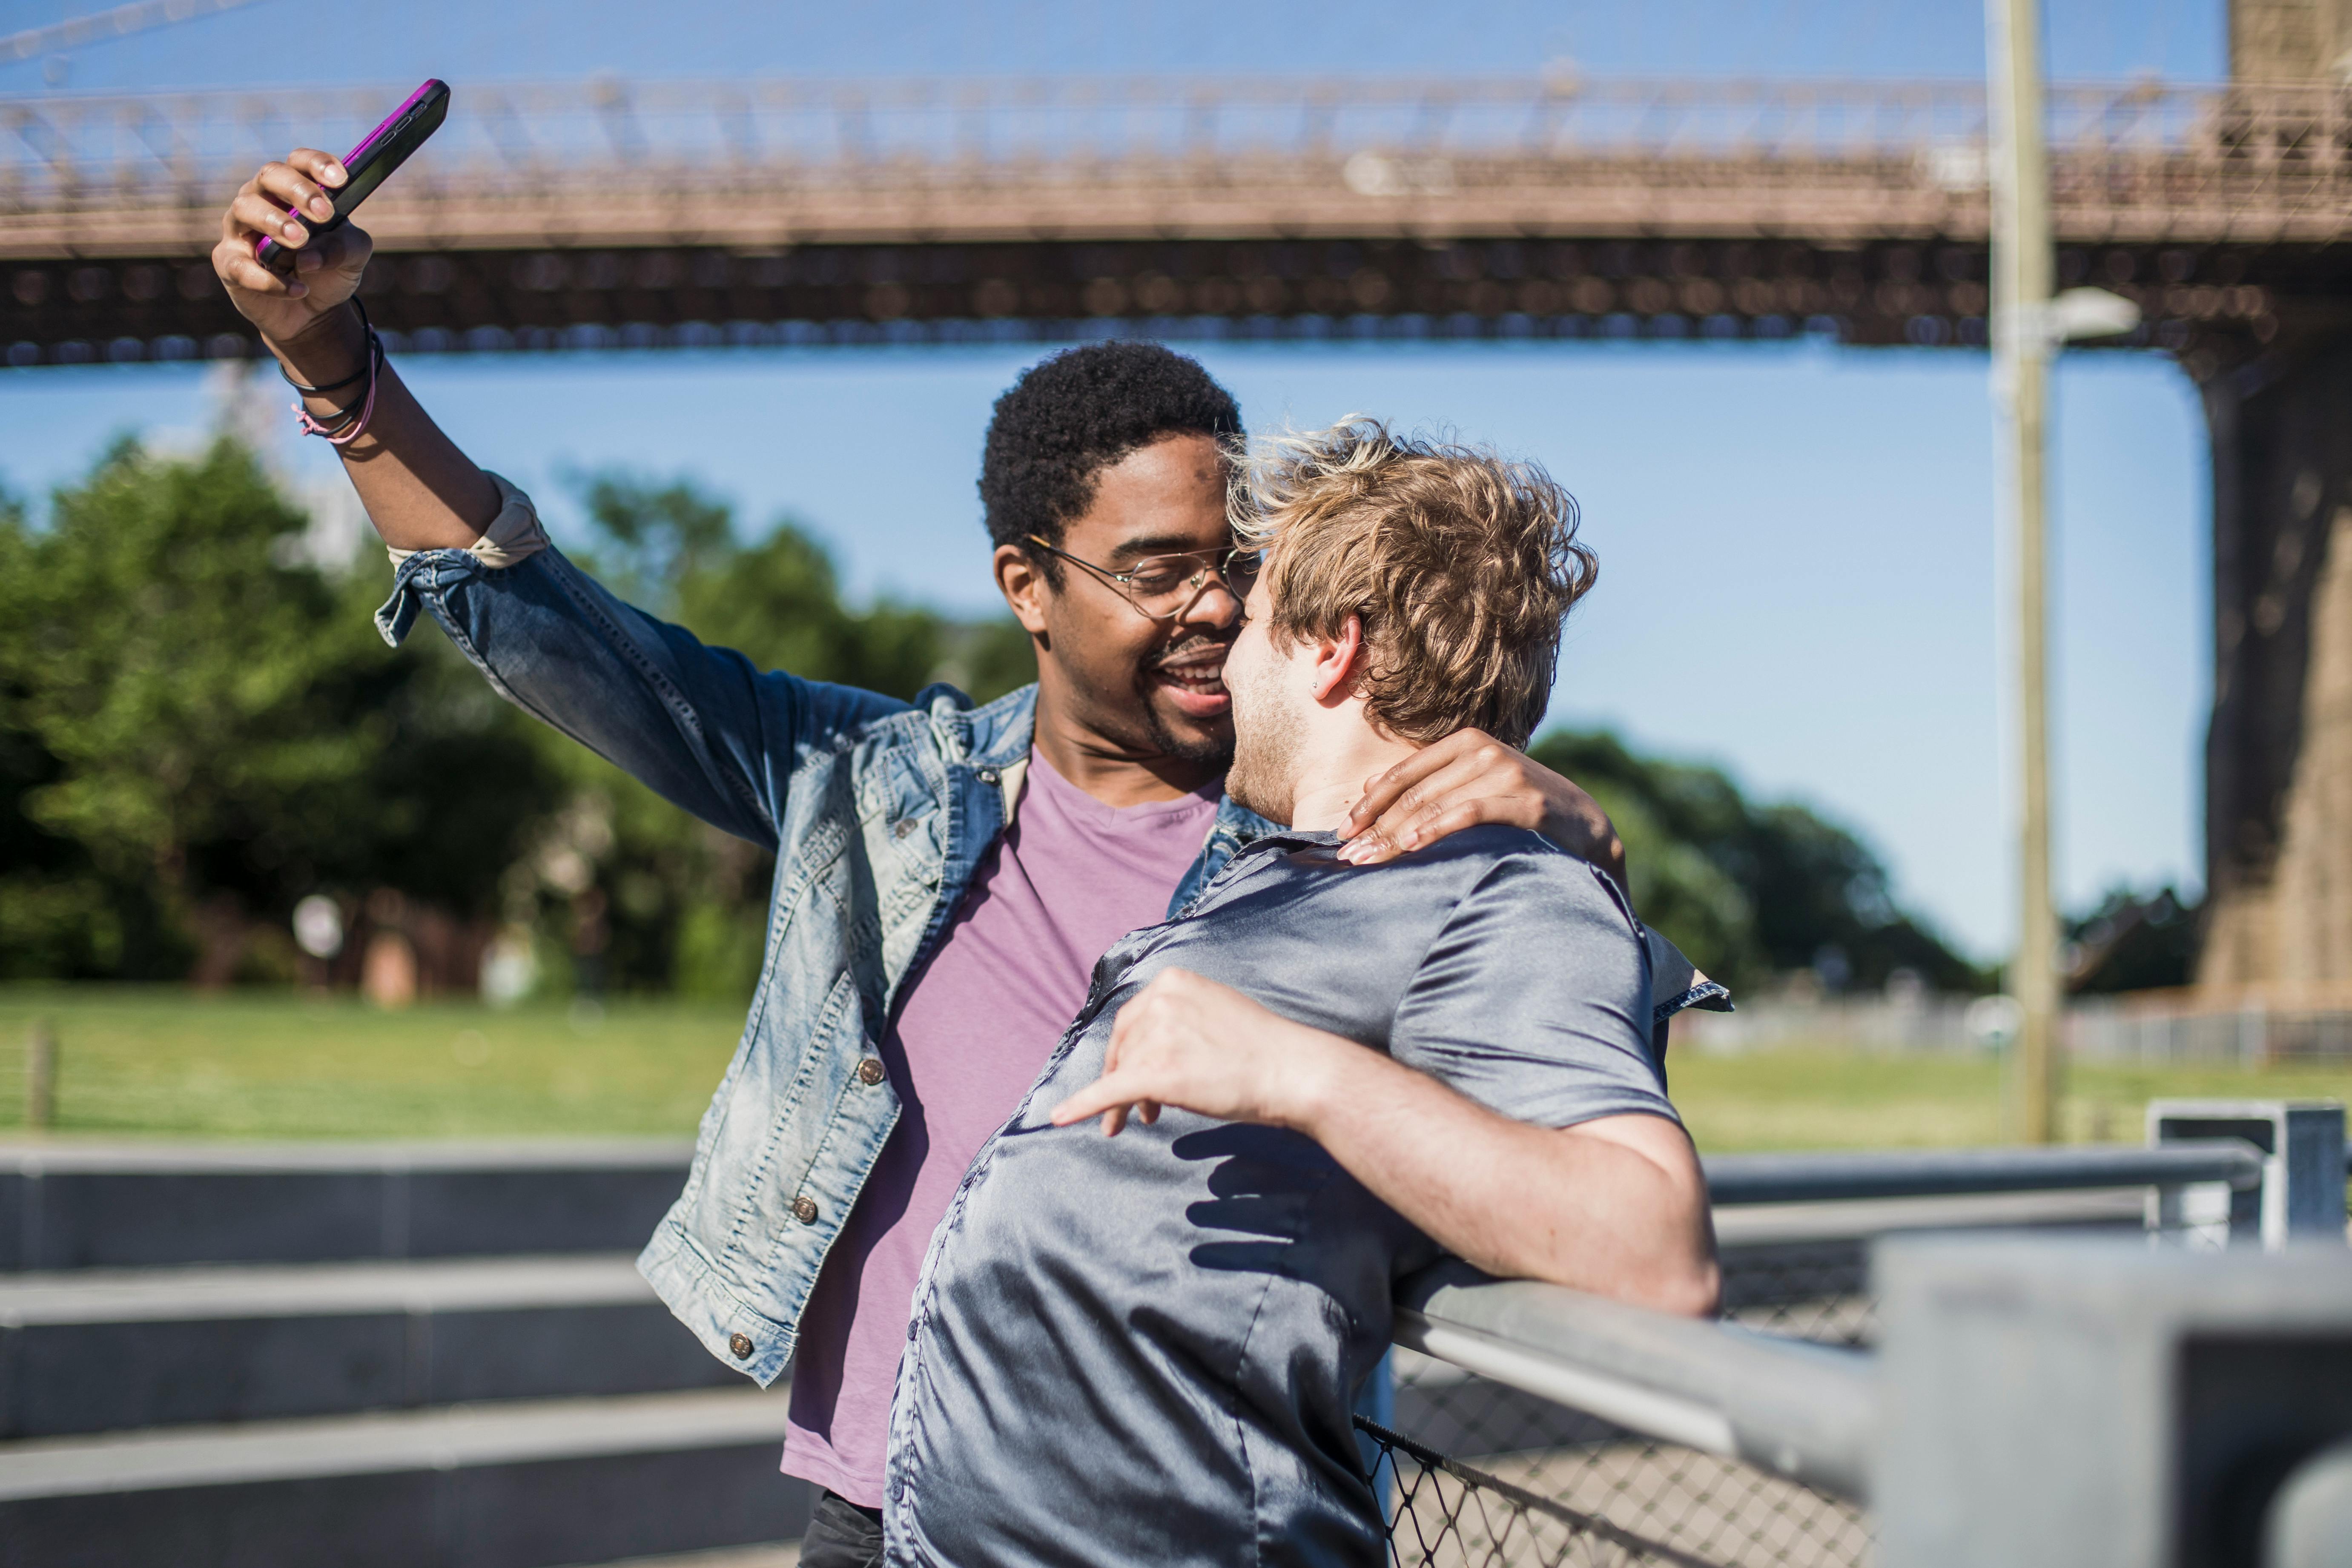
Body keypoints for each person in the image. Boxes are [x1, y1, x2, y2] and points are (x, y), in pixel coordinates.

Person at [205, 151, 1710, 1568]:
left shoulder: (1346, 846)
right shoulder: (872, 786)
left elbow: (1546, 1081)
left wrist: (1583, 839)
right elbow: (547, 625)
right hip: (870, 1505)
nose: (1210, 608)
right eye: (1157, 569)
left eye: (1236, 569)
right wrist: (331, 367)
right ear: (1026, 586)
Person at [881, 420, 1721, 1568]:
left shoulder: (1498, 890)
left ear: (1333, 645)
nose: (1221, 647)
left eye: (1255, 618)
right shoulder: (1287, 876)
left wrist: (1294, 1070)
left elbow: (1652, 1250)